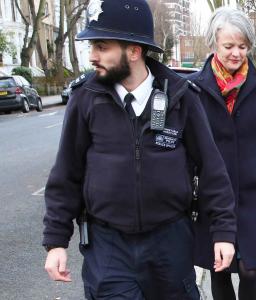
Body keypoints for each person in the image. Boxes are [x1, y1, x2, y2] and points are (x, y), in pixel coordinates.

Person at [42, 0, 236, 298]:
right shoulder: (85, 98)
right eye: (93, 46)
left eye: (102, 46)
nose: (92, 56)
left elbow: (212, 169)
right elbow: (66, 173)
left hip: (170, 244)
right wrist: (56, 241)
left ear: (134, 51)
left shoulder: (182, 97)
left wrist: (223, 233)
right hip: (108, 247)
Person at [189, 7, 256, 300]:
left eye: (243, 46)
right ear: (213, 44)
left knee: (250, 268)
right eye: (229, 46)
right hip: (212, 193)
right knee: (219, 266)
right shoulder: (193, 87)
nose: (236, 53)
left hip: (253, 192)